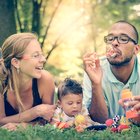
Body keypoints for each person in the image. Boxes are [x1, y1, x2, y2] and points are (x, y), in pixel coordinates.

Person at [83, 20, 140, 123]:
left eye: (123, 39)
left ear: (136, 49)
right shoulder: (94, 69)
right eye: (110, 39)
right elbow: (98, 120)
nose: (114, 43)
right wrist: (96, 84)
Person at [0, 33, 56, 131]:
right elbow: (0, 121)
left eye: (41, 54)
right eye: (35, 55)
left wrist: (24, 126)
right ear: (16, 62)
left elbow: (48, 119)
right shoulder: (1, 82)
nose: (43, 59)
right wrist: (35, 112)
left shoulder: (45, 80)